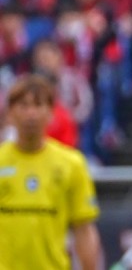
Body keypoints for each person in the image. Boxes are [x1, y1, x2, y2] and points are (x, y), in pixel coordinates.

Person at [0, 75, 100, 270]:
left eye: (38, 105)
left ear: (51, 113)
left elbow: (83, 229)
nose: (31, 114)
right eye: (23, 105)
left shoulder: (71, 163)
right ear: (10, 113)